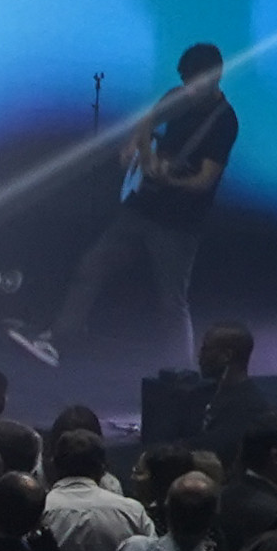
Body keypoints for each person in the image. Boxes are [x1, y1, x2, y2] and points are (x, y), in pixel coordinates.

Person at [40, 41, 236, 368]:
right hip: (141, 207)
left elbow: (204, 181)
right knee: (91, 267)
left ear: (215, 77)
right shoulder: (178, 97)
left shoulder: (224, 122)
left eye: (195, 82)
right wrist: (140, 152)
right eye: (186, 82)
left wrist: (169, 179)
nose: (189, 89)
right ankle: (60, 340)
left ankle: (182, 373)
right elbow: (146, 123)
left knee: (172, 303)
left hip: (178, 224)